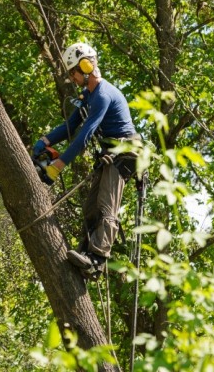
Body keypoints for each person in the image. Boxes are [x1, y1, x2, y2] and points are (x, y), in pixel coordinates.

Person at [32, 42, 139, 278]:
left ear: (86, 65)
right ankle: (85, 252)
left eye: (74, 72)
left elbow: (85, 135)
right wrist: (45, 141)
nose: (72, 78)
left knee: (105, 206)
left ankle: (97, 259)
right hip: (110, 154)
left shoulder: (103, 95)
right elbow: (71, 126)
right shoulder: (88, 96)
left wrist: (57, 168)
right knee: (90, 206)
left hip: (126, 154)